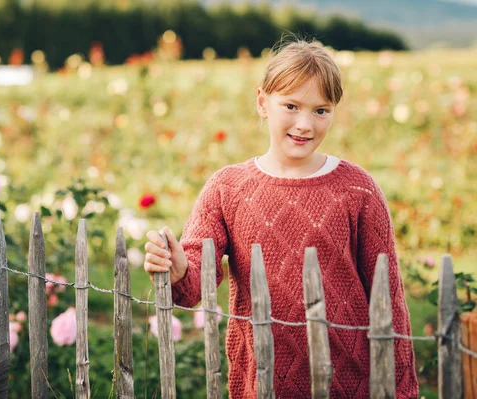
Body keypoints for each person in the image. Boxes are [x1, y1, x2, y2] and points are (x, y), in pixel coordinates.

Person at [143, 39, 418, 398]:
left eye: (321, 110)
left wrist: (403, 388)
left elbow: (390, 299)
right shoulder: (227, 188)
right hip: (262, 382)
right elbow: (194, 284)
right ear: (262, 102)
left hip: (348, 384)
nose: (305, 124)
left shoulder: (358, 190)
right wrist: (178, 268)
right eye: (291, 105)